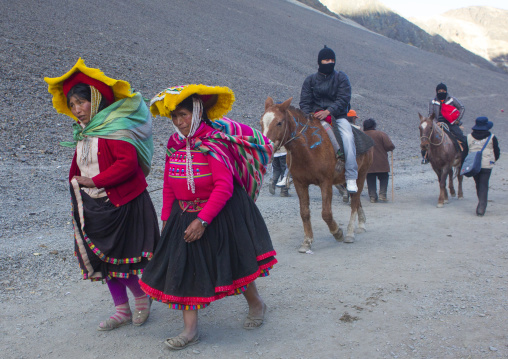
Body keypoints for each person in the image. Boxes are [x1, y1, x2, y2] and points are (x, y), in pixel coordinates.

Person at [140, 85, 277, 350]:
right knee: (184, 267)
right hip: (183, 213)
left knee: (234, 262)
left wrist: (203, 220)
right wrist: (167, 217)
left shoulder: (212, 141)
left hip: (220, 211)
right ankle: (190, 331)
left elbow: (224, 186)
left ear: (199, 112)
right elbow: (169, 183)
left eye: (184, 115)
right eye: (175, 117)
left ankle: (257, 304)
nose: (179, 122)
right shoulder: (174, 144)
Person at [44, 58, 159, 331]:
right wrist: (75, 182)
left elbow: (128, 164)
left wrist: (94, 180)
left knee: (120, 257)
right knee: (101, 258)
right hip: (93, 204)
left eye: (81, 103)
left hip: (122, 202)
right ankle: (121, 309)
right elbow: (79, 164)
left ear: (94, 100)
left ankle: (141, 299)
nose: (77, 110)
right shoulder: (86, 132)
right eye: (72, 105)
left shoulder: (114, 128)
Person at [299, 45, 358, 193]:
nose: (330, 62)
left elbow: (344, 98)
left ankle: (351, 176)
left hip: (338, 117)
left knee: (348, 137)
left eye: (332, 59)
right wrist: (309, 115)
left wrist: (329, 111)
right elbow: (304, 102)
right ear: (320, 62)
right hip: (314, 118)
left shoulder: (341, 77)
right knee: (296, 138)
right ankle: (292, 173)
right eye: (326, 59)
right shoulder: (310, 80)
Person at [422, 82, 466, 164]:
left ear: (446, 91)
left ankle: (462, 155)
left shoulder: (452, 99)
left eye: (443, 90)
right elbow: (430, 114)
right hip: (437, 122)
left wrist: (457, 120)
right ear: (436, 92)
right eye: (439, 91)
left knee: (460, 136)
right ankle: (425, 156)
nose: (441, 92)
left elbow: (462, 108)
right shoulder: (432, 101)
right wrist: (435, 122)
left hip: (451, 122)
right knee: (426, 136)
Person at [467, 117, 500, 216]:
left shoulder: (469, 137)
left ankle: (481, 203)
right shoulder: (492, 137)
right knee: (484, 184)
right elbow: (497, 152)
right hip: (486, 165)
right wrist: (492, 160)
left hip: (473, 165)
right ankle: (481, 206)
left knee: (478, 183)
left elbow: (464, 152)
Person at [363, 119, 395, 203]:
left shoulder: (362, 135)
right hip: (381, 161)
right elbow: (389, 145)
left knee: (370, 178)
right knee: (384, 177)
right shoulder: (381, 134)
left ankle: (373, 197)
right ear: (374, 126)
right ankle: (382, 195)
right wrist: (391, 148)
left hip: (367, 162)